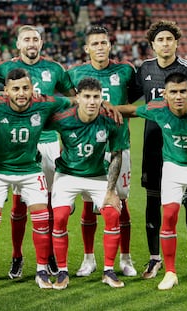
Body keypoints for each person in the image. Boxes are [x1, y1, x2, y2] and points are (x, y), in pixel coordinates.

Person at [0, 25, 74, 278]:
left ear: (42, 42)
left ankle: (47, 257)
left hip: (47, 140)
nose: (31, 43)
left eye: (35, 39)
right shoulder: (4, 69)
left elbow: (71, 97)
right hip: (14, 142)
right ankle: (17, 255)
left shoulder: (55, 68)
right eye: (26, 39)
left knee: (44, 205)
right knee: (18, 205)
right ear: (18, 44)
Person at [0, 68, 71, 290]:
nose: (21, 93)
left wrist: (100, 103)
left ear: (33, 90)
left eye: (26, 88)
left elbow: (74, 102)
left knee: (41, 218)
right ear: (6, 90)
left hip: (30, 169)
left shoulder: (45, 103)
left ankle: (41, 270)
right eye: (16, 89)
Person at [118, 72, 187, 289]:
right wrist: (106, 107)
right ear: (164, 94)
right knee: (168, 215)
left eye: (182, 92)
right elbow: (131, 110)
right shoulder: (157, 108)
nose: (178, 97)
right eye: (173, 92)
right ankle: (170, 272)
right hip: (174, 167)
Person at [134, 20, 187, 279]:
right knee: (153, 199)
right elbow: (131, 98)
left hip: (183, 148)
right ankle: (155, 258)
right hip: (153, 145)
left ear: (177, 42)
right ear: (152, 44)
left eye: (169, 39)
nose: (165, 44)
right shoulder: (144, 69)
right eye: (160, 40)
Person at [67, 25, 137, 277]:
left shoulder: (126, 70)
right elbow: (68, 104)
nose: (99, 47)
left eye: (103, 43)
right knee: (89, 204)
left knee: (121, 202)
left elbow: (135, 102)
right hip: (89, 148)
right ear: (86, 48)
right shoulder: (75, 74)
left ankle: (126, 259)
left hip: (120, 146)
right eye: (94, 44)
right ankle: (89, 259)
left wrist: (113, 108)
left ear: (110, 45)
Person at [48, 77, 123, 289]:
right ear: (78, 98)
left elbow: (117, 155)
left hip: (98, 175)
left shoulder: (111, 120)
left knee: (112, 213)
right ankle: (62, 272)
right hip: (67, 174)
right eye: (87, 97)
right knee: (60, 217)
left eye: (96, 97)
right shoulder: (62, 118)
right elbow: (37, 128)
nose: (92, 101)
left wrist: (110, 191)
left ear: (102, 98)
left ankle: (108, 270)